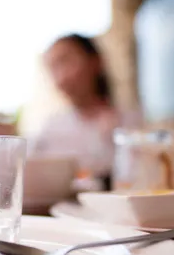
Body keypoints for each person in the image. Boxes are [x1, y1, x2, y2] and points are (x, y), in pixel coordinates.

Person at [32, 34, 118, 182]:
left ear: (95, 61)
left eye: (65, 61)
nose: (61, 78)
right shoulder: (51, 128)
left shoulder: (130, 123)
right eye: (53, 68)